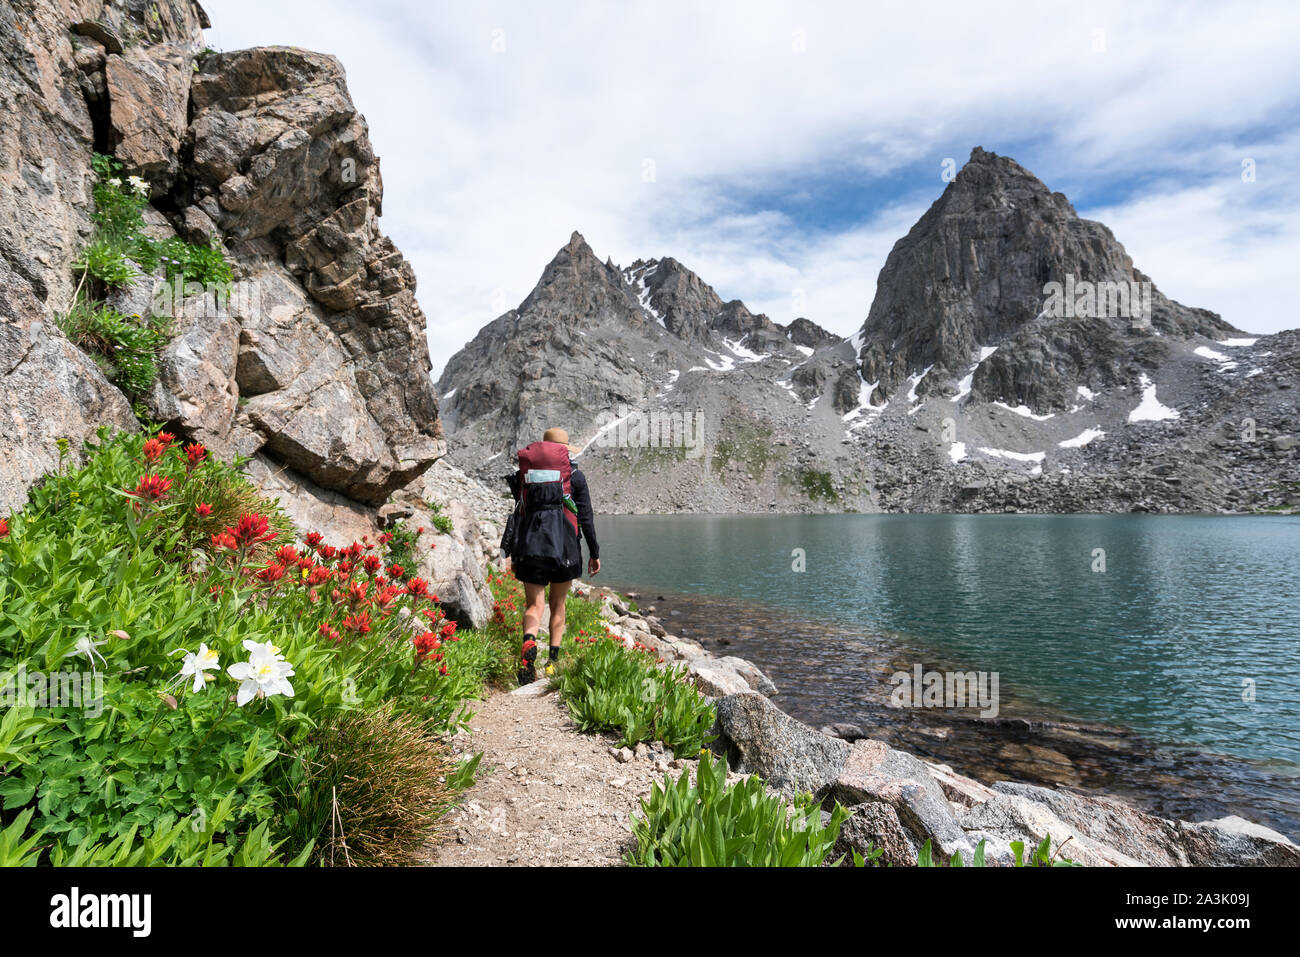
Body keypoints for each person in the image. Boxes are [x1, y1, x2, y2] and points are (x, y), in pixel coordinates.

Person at [501, 427, 600, 684]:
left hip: (530, 545)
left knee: (534, 605)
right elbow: (586, 519)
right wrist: (594, 552)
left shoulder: (527, 475)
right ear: (565, 451)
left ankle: (528, 645)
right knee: (558, 604)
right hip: (564, 548)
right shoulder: (575, 477)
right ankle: (553, 663)